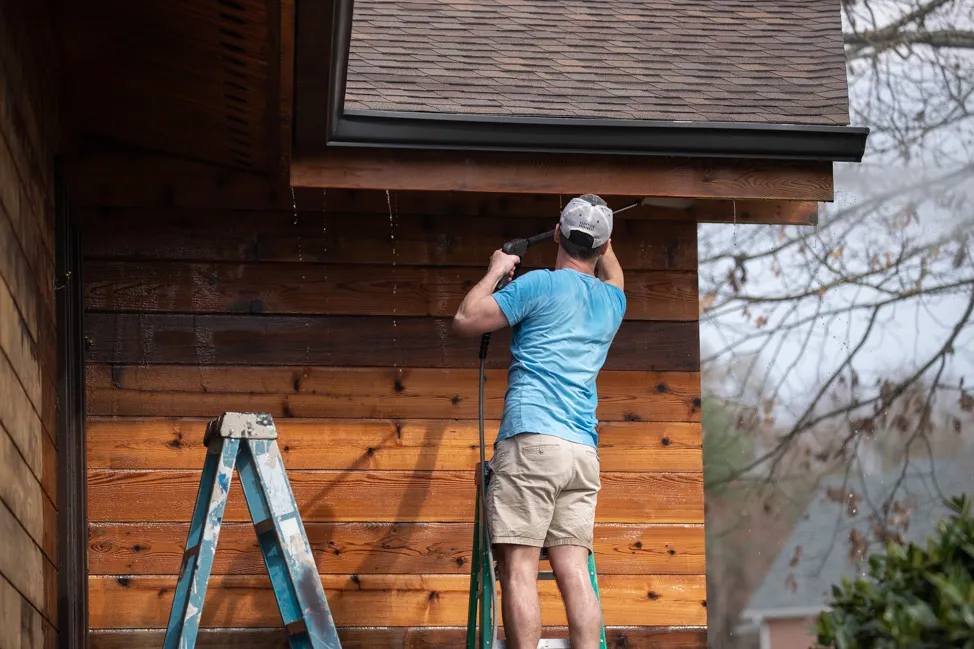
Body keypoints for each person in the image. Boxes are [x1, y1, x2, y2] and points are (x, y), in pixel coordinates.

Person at [451, 194, 626, 649]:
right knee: (573, 571)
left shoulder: (539, 286)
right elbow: (612, 270)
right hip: (582, 454)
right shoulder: (613, 301)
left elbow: (467, 319)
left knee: (519, 567)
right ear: (605, 247)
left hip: (532, 440)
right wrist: (602, 233)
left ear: (555, 235)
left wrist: (496, 268)